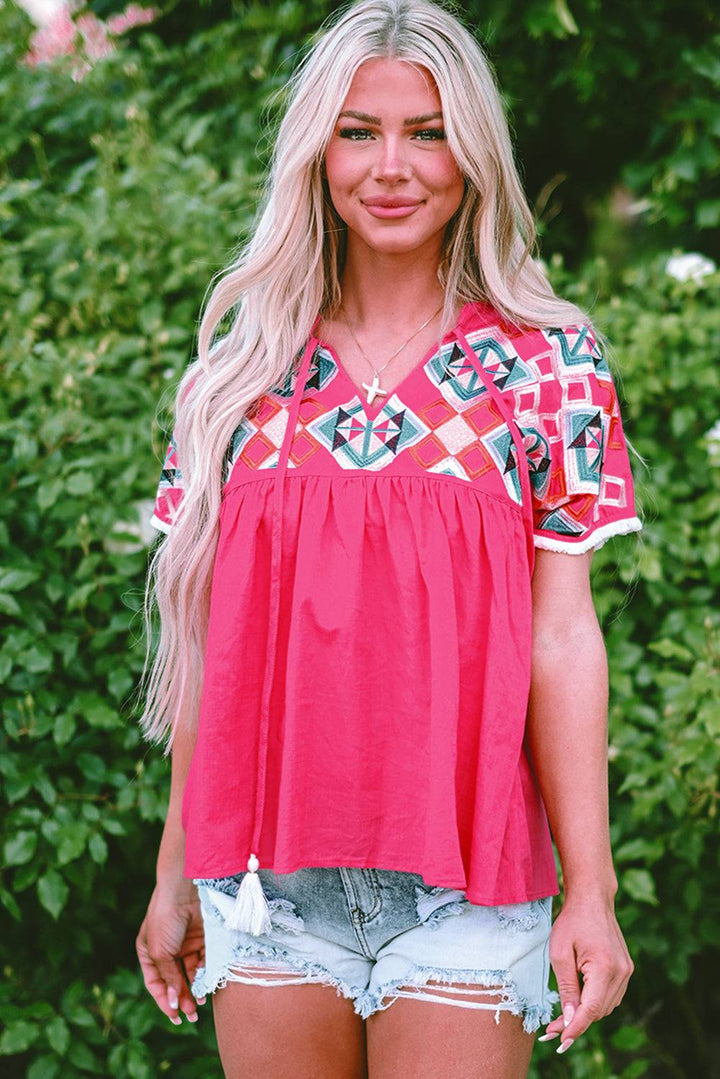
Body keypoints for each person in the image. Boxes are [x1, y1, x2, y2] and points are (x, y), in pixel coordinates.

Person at [134, 1, 642, 1075]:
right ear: (317, 152)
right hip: (266, 892)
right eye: (359, 131)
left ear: (475, 154)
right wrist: (178, 865)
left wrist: (591, 889)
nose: (391, 166)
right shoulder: (240, 372)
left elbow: (562, 638)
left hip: (470, 888)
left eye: (428, 131)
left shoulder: (547, 366)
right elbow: (212, 646)